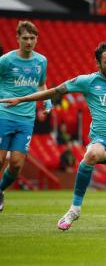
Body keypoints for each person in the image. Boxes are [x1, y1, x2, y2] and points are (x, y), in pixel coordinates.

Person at [0, 37, 106, 230]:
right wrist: (22, 99)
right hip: (103, 142)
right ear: (98, 64)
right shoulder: (87, 82)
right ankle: (74, 209)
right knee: (90, 155)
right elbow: (56, 91)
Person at [0, 21, 52, 212]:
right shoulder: (6, 61)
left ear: (36, 39)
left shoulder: (41, 61)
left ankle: (0, 190)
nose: (29, 42)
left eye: (32, 38)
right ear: (18, 39)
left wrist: (47, 101)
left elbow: (41, 84)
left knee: (15, 164)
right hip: (4, 114)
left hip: (26, 119)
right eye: (25, 38)